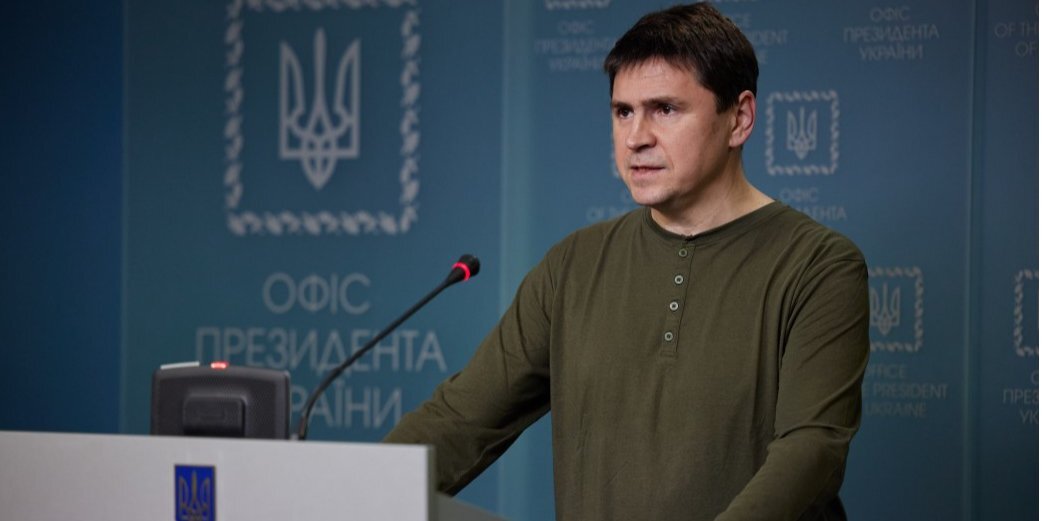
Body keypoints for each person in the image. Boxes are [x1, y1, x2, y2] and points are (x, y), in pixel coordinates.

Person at [385, 3, 869, 520]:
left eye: (665, 109)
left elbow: (809, 452)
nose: (636, 137)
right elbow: (461, 420)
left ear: (739, 118)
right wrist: (348, 490)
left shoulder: (820, 266)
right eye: (623, 112)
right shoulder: (573, 266)